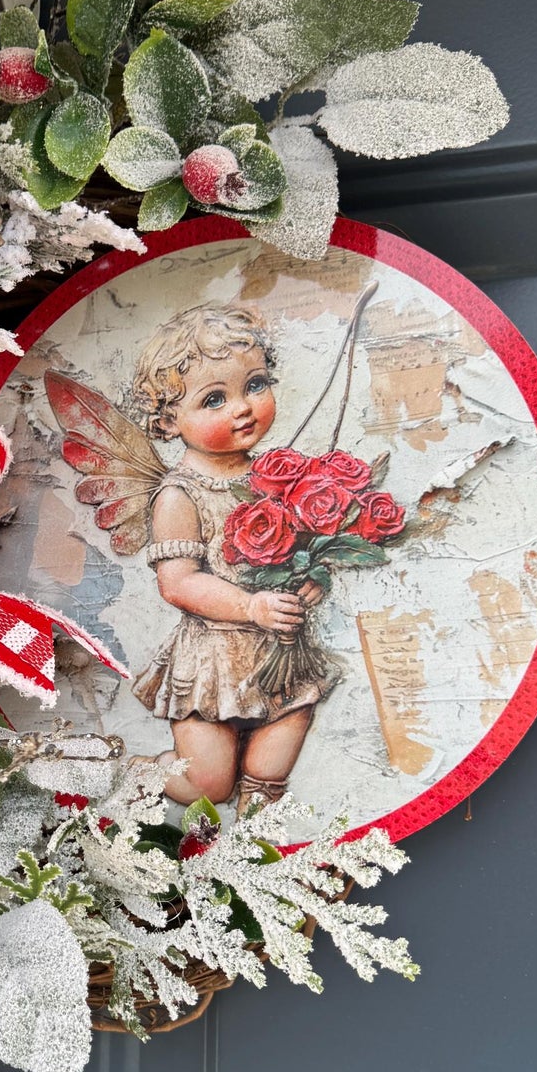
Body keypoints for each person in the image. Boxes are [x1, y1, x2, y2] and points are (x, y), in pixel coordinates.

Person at [127, 303, 335, 808]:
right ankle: (134, 771)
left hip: (286, 657)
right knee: (209, 785)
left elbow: (304, 554)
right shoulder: (180, 495)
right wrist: (252, 607)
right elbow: (177, 583)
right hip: (213, 665)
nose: (242, 407)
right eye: (215, 398)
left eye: (255, 385)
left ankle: (260, 858)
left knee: (266, 777)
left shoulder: (280, 477)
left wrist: (310, 583)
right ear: (167, 421)